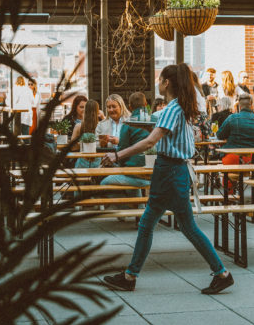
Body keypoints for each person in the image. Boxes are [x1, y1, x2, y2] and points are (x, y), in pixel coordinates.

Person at [100, 63, 234, 295]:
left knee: (160, 224)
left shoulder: (173, 109)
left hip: (169, 171)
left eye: (159, 79)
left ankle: (131, 276)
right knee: (171, 224)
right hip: (173, 171)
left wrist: (117, 155)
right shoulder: (177, 107)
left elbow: (150, 141)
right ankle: (221, 273)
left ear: (167, 82)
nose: (157, 83)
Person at [100, 91, 152, 193]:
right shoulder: (157, 120)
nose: (111, 109)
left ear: (129, 106)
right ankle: (138, 206)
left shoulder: (128, 123)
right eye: (108, 107)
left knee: (103, 183)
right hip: (157, 174)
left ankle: (121, 206)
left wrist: (119, 163)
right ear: (146, 104)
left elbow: (122, 151)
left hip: (136, 174)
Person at [217, 92, 254, 168]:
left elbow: (220, 135)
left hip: (235, 157)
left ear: (239, 107)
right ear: (251, 106)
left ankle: (230, 179)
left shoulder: (232, 118)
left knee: (230, 175)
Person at [71, 100, 101, 168]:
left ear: (85, 110)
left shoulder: (78, 126)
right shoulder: (101, 125)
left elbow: (72, 147)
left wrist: (84, 144)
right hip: (98, 162)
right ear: (97, 111)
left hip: (82, 161)